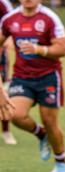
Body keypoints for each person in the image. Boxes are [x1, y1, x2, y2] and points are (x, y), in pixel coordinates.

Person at [0, 0, 65, 172]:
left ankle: (61, 161)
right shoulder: (10, 19)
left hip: (48, 77)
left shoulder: (49, 18)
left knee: (50, 121)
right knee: (15, 114)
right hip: (22, 77)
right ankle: (41, 134)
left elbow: (63, 49)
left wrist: (39, 49)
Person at [0, 0, 16, 146]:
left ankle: (6, 131)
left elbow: (11, 25)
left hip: (0, 55)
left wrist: (8, 40)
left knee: (4, 92)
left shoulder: (3, 4)